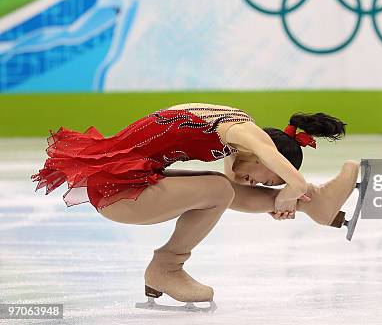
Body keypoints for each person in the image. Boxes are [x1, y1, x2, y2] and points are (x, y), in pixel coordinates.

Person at [31, 102, 360, 309]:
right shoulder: (248, 133)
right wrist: (295, 188)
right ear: (266, 156)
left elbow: (235, 182)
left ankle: (315, 206)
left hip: (129, 185)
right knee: (217, 188)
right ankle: (167, 267)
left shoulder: (236, 134)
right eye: (268, 180)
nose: (257, 184)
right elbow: (260, 172)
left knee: (221, 188)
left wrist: (288, 199)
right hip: (120, 192)